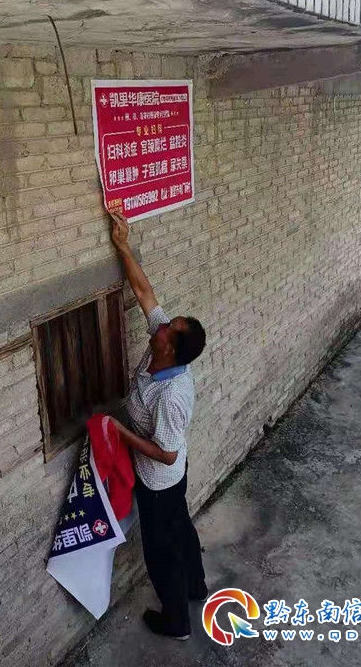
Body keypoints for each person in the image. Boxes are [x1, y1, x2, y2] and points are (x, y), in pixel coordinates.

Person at [109, 212, 208, 641]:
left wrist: (121, 433)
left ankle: (177, 621)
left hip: (159, 481)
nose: (161, 323)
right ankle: (196, 587)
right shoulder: (163, 347)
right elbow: (144, 292)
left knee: (161, 548)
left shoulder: (171, 394)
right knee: (181, 528)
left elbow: (165, 453)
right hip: (174, 474)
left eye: (169, 328)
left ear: (170, 348)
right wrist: (122, 245)